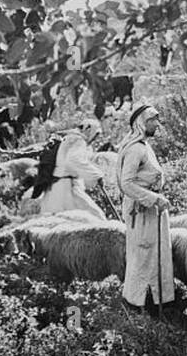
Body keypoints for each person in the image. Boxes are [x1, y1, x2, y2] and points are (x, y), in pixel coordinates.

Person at [117, 104, 174, 314]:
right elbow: (127, 183)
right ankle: (136, 302)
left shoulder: (144, 146)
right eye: (152, 120)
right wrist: (153, 198)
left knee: (156, 252)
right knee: (142, 253)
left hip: (151, 209)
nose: (157, 124)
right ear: (141, 123)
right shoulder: (135, 149)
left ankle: (157, 299)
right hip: (141, 210)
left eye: (157, 120)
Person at [39, 119, 107, 219]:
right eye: (95, 134)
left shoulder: (70, 138)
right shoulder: (78, 140)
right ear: (89, 130)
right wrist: (97, 175)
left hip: (57, 186)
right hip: (68, 188)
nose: (94, 139)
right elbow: (73, 160)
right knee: (97, 217)